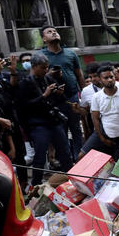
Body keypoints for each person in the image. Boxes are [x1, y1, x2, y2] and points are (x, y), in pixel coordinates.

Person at [16, 54, 73, 185]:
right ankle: (35, 185)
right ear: (34, 66)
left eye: (47, 67)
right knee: (40, 157)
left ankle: (72, 180)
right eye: (43, 68)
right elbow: (24, 106)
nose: (46, 70)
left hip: (54, 121)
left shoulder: (48, 79)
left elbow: (59, 100)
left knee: (65, 153)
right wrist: (44, 95)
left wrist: (59, 94)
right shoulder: (25, 82)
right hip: (38, 125)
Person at [38, 26, 86, 154]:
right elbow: (36, 78)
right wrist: (50, 75)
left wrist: (85, 94)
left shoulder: (70, 53)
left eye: (55, 31)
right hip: (53, 100)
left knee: (76, 128)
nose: (54, 33)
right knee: (60, 131)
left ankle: (78, 157)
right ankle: (66, 160)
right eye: (49, 32)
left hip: (72, 97)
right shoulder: (40, 56)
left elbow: (79, 75)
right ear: (44, 39)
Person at [81, 64, 119, 158]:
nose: (109, 80)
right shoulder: (97, 97)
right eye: (106, 78)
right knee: (82, 156)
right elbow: (95, 118)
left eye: (111, 77)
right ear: (100, 79)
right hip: (104, 132)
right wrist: (101, 138)